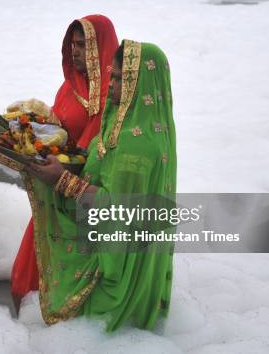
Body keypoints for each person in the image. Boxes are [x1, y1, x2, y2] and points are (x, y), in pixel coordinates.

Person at [24, 39, 176, 331]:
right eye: (113, 76)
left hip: (115, 273)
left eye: (120, 78)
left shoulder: (137, 145)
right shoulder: (138, 124)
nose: (112, 84)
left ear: (140, 83)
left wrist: (61, 180)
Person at [10, 15, 118, 309]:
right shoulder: (71, 85)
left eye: (83, 45)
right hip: (55, 177)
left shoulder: (112, 94)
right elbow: (61, 127)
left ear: (102, 48)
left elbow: (92, 152)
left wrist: (58, 167)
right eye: (73, 44)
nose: (76, 51)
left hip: (86, 193)